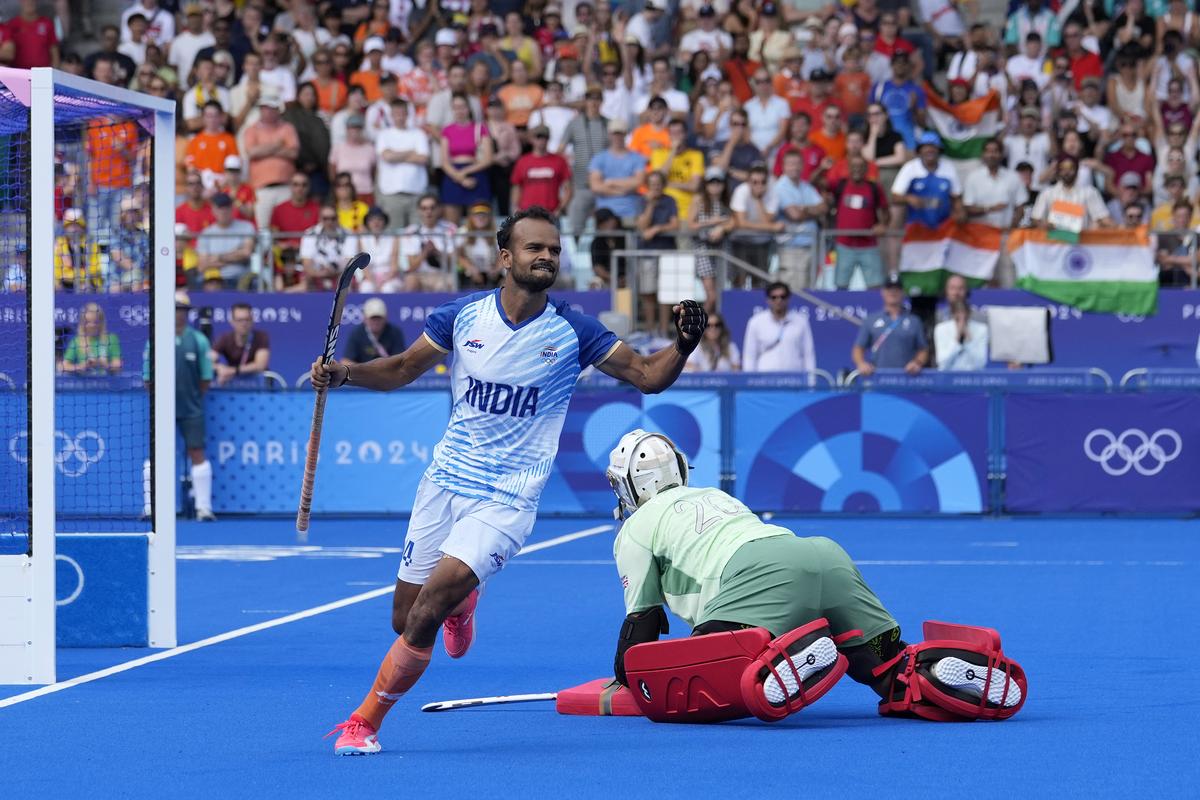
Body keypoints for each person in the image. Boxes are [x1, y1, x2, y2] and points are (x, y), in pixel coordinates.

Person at [317, 206, 709, 756]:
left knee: (428, 607)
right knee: (405, 617)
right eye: (534, 248)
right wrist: (346, 373)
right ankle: (465, 601)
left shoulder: (575, 330)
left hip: (508, 495)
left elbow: (648, 376)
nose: (546, 256)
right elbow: (403, 368)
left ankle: (364, 720)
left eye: (553, 249)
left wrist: (683, 346)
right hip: (445, 482)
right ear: (506, 257)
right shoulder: (462, 317)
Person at [603, 429, 1026, 723]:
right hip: (824, 556)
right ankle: (936, 666)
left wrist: (626, 676)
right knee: (891, 671)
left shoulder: (635, 530)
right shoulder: (713, 494)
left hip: (763, 576)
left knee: (707, 681)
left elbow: (641, 623)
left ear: (629, 487)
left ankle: (789, 657)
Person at [171, 291, 216, 522]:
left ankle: (203, 507)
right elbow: (148, 377)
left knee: (197, 452)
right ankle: (152, 508)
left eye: (182, 310)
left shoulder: (199, 340)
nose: (178, 315)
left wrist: (192, 397)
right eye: (175, 309)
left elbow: (206, 377)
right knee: (157, 455)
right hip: (162, 411)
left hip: (192, 408)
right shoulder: (156, 338)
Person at [852, 274, 929, 376]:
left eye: (897, 289)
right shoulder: (870, 320)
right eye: (889, 288)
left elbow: (923, 349)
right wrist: (861, 364)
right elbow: (858, 348)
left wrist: (917, 363)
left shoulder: (914, 321)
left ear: (903, 292)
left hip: (907, 379)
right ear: (883, 292)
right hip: (877, 377)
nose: (893, 292)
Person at [374, 100, 430, 231]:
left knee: (417, 236)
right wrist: (411, 152)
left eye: (402, 113)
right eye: (396, 113)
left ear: (407, 114)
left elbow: (423, 158)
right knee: (393, 235)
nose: (399, 116)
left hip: (416, 193)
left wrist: (395, 155)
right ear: (391, 116)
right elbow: (387, 156)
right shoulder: (384, 135)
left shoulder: (418, 134)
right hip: (392, 194)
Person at [742, 282, 816, 373]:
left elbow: (808, 354)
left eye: (782, 297)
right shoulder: (756, 322)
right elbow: (750, 355)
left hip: (794, 380)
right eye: (774, 297)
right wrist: (749, 382)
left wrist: (810, 382)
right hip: (764, 380)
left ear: (788, 298)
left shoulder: (801, 322)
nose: (778, 300)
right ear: (768, 300)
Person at [689, 167, 735, 313]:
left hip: (722, 248)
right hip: (703, 248)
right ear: (706, 184)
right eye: (711, 182)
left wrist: (722, 228)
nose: (715, 185)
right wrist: (712, 222)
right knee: (712, 296)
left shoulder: (728, 201)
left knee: (721, 295)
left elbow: (734, 221)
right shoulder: (698, 200)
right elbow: (691, 224)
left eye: (718, 182)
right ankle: (700, 329)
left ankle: (715, 328)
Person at [400, 193, 459, 291]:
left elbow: (453, 262)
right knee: (410, 280)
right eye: (424, 208)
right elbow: (412, 266)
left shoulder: (450, 228)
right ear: (419, 211)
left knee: (443, 285)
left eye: (432, 208)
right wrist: (425, 252)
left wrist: (436, 252)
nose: (428, 212)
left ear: (439, 209)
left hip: (442, 273)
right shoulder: (411, 231)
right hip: (420, 275)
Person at [196, 193, 256, 288]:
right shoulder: (206, 233)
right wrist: (235, 254)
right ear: (213, 210)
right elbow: (202, 266)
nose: (223, 211)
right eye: (220, 208)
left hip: (239, 278)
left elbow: (246, 253)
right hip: (212, 280)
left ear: (232, 208)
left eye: (226, 207)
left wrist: (218, 257)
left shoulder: (246, 227)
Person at [511, 126, 572, 215]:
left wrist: (560, 209)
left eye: (545, 137)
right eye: (538, 137)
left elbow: (568, 188)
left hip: (551, 213)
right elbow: (516, 187)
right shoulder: (522, 161)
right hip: (527, 212)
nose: (542, 140)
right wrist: (516, 207)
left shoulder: (559, 161)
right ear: (531, 139)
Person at [211, 301, 271, 386]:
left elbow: (260, 365)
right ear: (232, 322)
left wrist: (233, 370)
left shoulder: (261, 337)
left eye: (247, 320)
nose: (244, 324)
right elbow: (207, 361)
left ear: (252, 320)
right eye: (239, 320)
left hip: (257, 385)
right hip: (233, 385)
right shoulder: (225, 338)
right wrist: (219, 368)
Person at [61, 302, 122, 376]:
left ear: (101, 322)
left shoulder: (111, 339)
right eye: (88, 322)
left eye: (95, 322)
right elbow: (63, 366)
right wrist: (82, 366)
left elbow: (118, 365)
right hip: (84, 384)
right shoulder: (76, 341)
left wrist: (104, 364)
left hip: (108, 384)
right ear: (82, 323)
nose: (92, 325)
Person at [350, 208, 402, 292]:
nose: (376, 222)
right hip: (369, 277)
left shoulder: (393, 238)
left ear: (384, 221)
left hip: (390, 277)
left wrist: (383, 281)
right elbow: (363, 267)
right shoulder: (362, 239)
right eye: (372, 220)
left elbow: (394, 265)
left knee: (388, 288)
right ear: (367, 222)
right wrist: (374, 282)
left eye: (379, 219)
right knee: (366, 288)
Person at [342, 297, 406, 364]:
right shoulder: (357, 333)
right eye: (372, 318)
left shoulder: (394, 333)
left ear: (386, 318)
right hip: (363, 372)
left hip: (387, 371)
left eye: (379, 318)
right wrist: (364, 371)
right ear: (365, 318)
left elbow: (400, 361)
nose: (376, 322)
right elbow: (346, 361)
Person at [934, 299, 989, 371]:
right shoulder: (941, 329)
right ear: (952, 314)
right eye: (958, 316)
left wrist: (969, 341)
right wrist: (957, 340)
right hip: (948, 376)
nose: (962, 319)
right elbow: (943, 362)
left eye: (964, 317)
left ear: (969, 314)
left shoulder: (981, 329)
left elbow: (980, 363)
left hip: (973, 376)